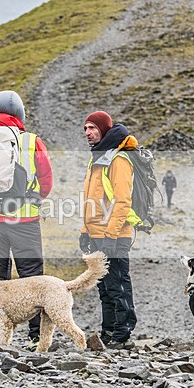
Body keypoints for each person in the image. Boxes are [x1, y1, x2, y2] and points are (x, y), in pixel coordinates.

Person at [0, 91, 53, 350]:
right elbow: (46, 179)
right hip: (25, 220)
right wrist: (33, 199)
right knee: (32, 278)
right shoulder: (30, 141)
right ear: (20, 114)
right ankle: (36, 337)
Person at [78, 111, 137, 350]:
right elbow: (91, 200)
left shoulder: (119, 160)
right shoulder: (98, 158)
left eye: (92, 128)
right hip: (96, 234)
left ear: (103, 129)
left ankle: (123, 332)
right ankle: (108, 330)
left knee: (117, 283)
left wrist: (111, 235)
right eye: (85, 129)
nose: (88, 133)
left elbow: (123, 201)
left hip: (114, 235)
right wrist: (85, 230)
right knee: (103, 285)